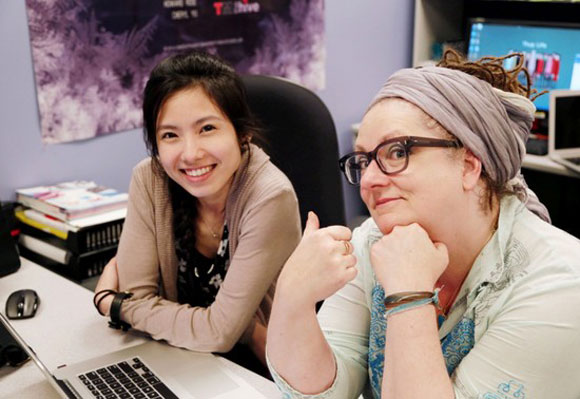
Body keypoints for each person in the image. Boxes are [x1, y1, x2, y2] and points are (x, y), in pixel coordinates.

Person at [266, 49, 580, 398]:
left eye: (397, 152)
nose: (368, 179)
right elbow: (322, 393)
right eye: (363, 160)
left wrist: (409, 297)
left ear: (468, 165)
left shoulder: (560, 285)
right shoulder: (375, 239)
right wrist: (292, 298)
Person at [93, 51, 301, 375]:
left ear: (242, 132)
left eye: (207, 128)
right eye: (170, 135)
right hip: (175, 356)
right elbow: (140, 295)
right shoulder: (149, 180)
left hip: (257, 371)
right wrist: (136, 305)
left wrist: (113, 304)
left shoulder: (270, 197)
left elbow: (221, 333)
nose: (190, 153)